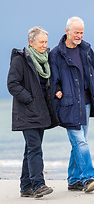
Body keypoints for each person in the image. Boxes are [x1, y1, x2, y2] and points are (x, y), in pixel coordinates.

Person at [49, 17, 94, 193]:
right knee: (80, 142)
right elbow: (52, 79)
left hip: (86, 103)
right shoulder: (56, 54)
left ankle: (73, 180)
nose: (79, 35)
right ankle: (88, 178)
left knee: (79, 143)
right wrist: (57, 90)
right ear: (67, 31)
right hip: (68, 104)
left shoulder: (86, 50)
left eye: (82, 32)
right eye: (76, 32)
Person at [7, 26, 59, 198]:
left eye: (46, 42)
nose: (45, 45)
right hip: (27, 112)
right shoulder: (20, 60)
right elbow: (12, 84)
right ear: (31, 42)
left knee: (31, 149)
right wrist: (30, 99)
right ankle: (38, 185)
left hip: (41, 112)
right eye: (41, 42)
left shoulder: (45, 60)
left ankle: (25, 187)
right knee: (35, 149)